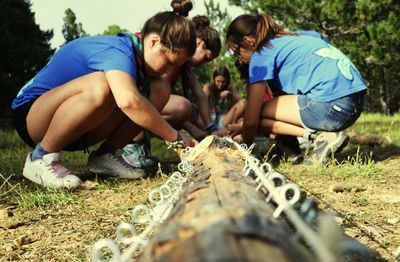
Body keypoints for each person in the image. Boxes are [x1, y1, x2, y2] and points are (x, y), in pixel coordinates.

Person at [11, 7, 198, 190]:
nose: (170, 70)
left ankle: (105, 156)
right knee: (104, 85)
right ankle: (41, 157)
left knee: (160, 88)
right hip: (32, 116)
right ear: (154, 42)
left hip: (76, 128)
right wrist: (176, 138)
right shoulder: (118, 51)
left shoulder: (141, 65)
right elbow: (128, 101)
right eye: (170, 62)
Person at [225, 13, 367, 164]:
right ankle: (293, 147)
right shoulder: (298, 36)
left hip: (332, 107)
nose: (239, 59)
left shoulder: (261, 56)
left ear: (249, 41)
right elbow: (319, 38)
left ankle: (319, 136)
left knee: (258, 111)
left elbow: (251, 121)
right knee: (274, 102)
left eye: (236, 52)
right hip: (355, 103)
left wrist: (245, 147)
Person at [122, 4, 221, 169]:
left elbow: (200, 95)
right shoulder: (168, 58)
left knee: (190, 109)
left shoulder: (184, 66)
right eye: (206, 58)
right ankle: (134, 143)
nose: (204, 64)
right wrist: (186, 131)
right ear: (198, 43)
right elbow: (149, 95)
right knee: (182, 106)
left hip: (141, 103)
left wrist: (210, 129)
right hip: (131, 104)